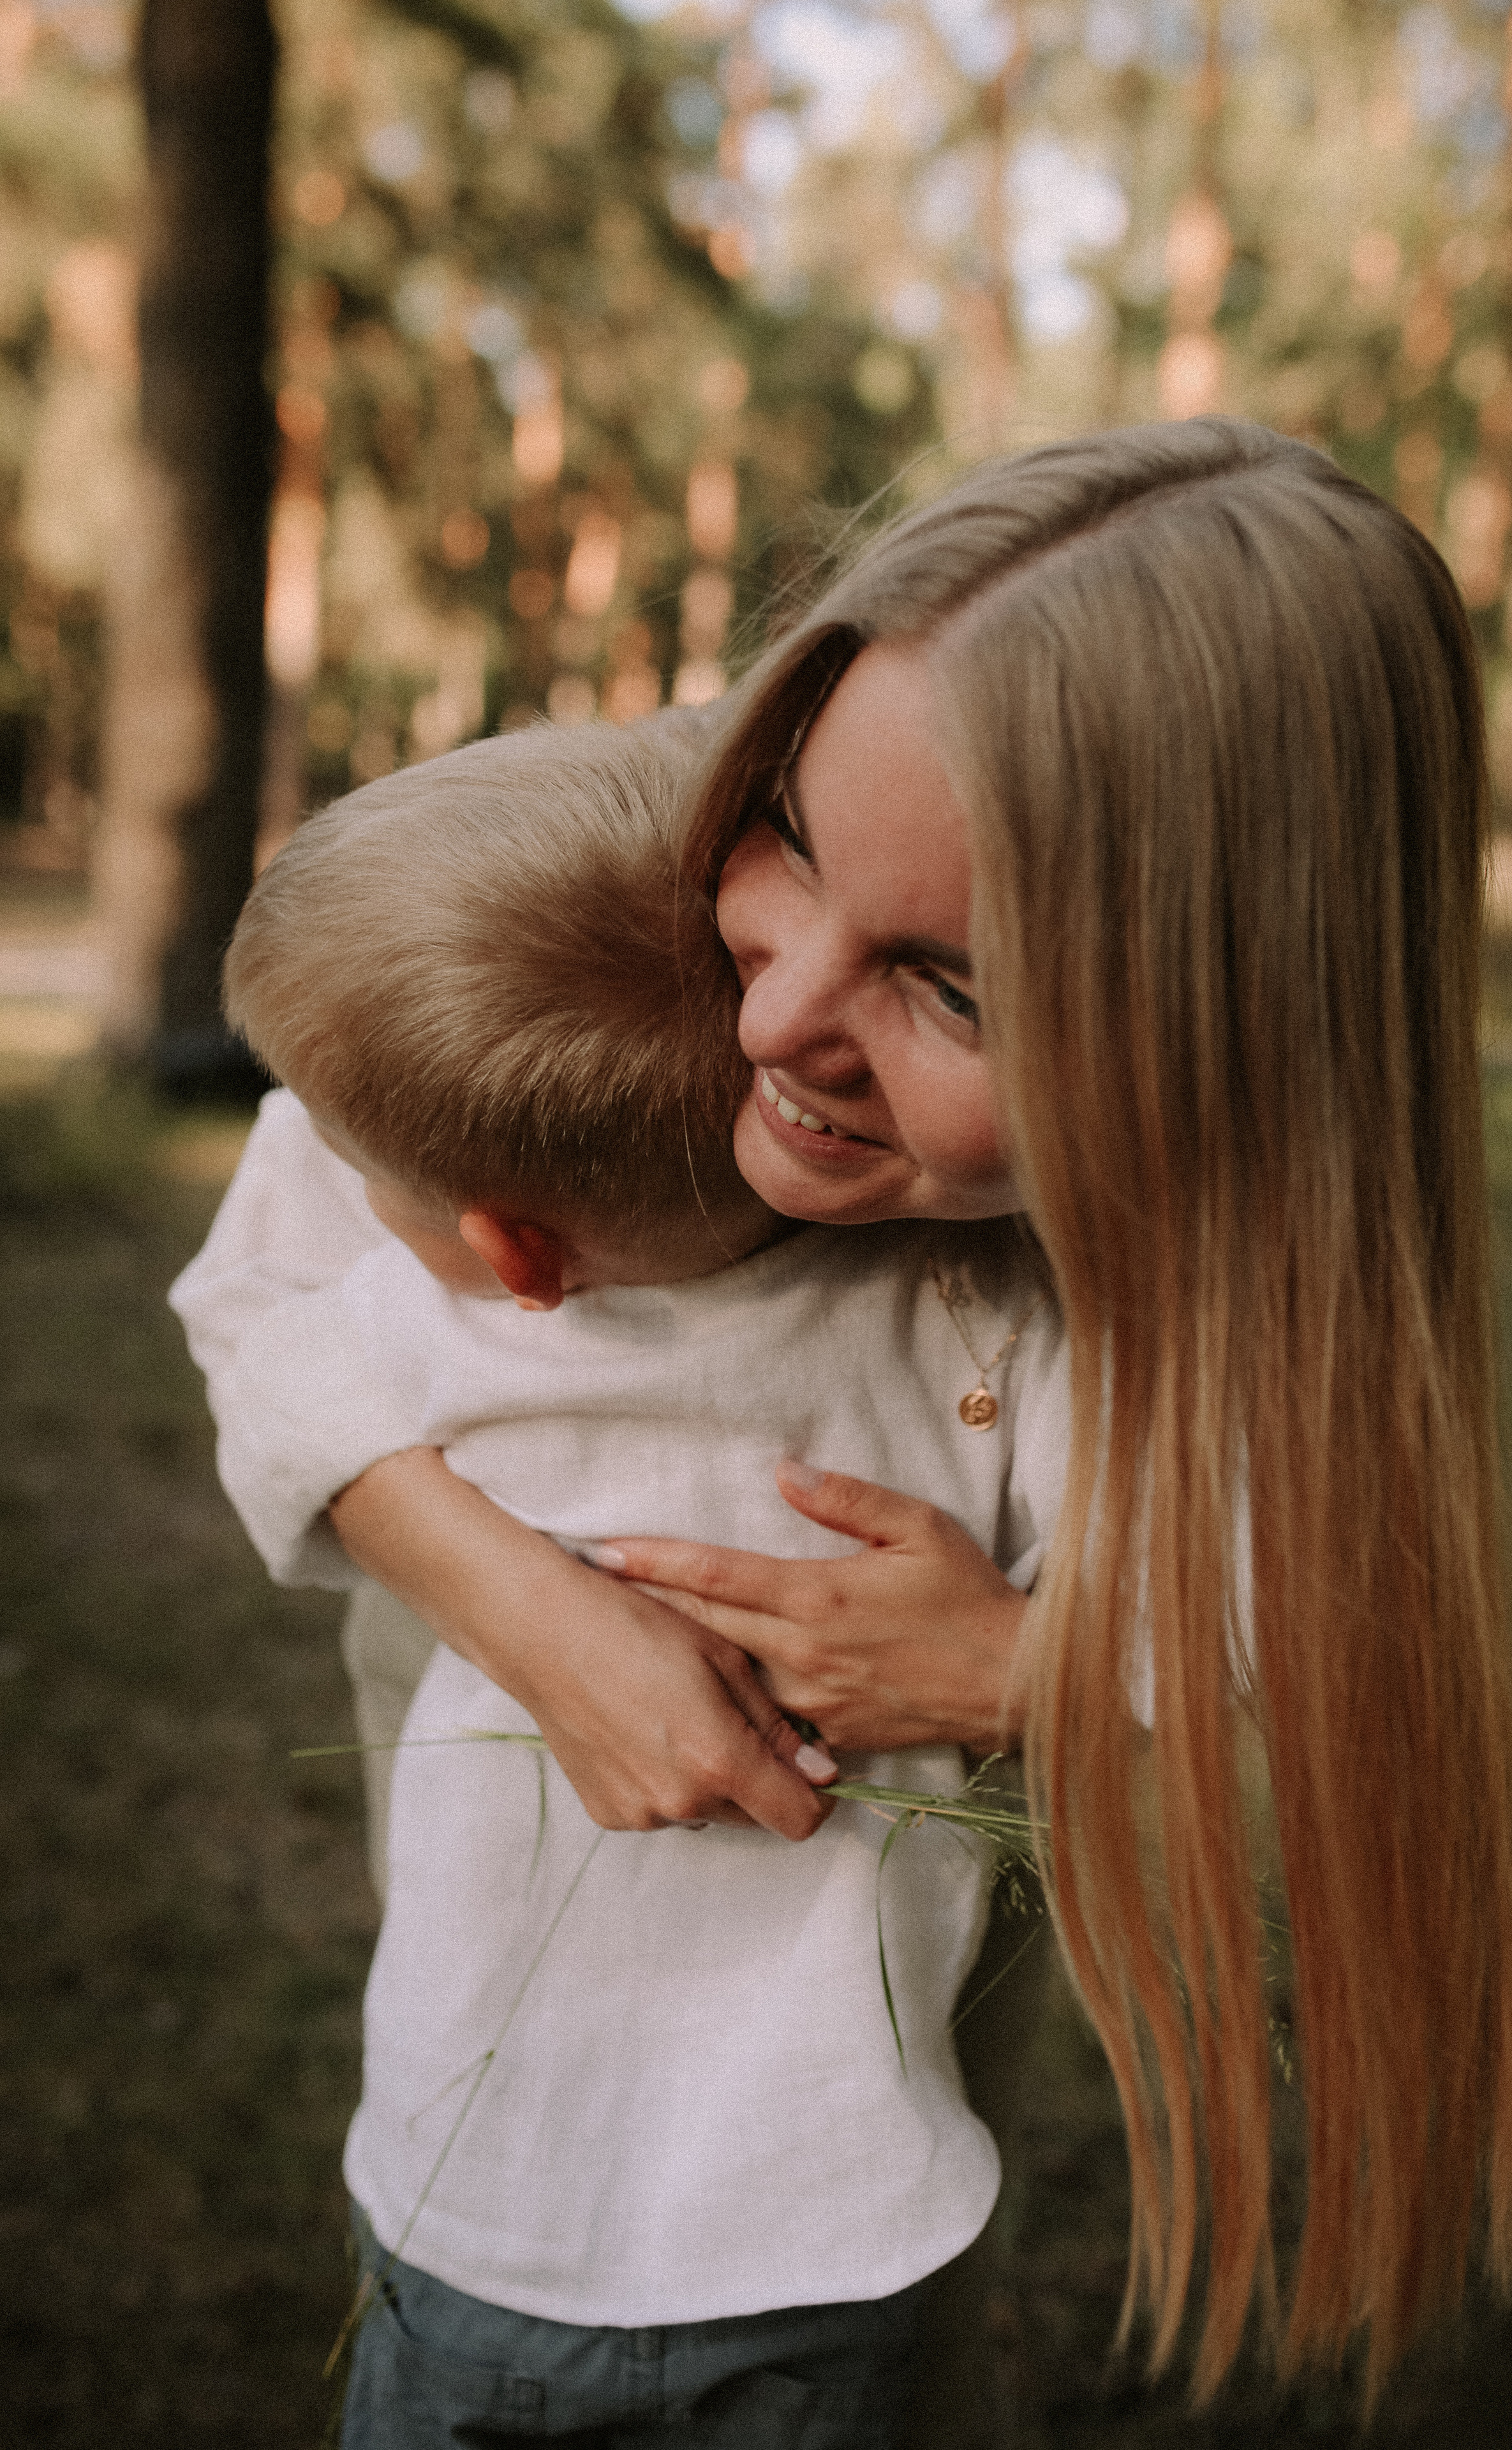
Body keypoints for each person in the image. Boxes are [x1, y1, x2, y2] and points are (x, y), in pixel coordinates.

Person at [320, 419, 1512, 2410]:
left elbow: (1303, 1649)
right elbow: (269, 1263)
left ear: (1228, 1043)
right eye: (789, 837)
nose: (765, 1014)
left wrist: (1032, 1662)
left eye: (953, 989)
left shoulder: (1125, 1310)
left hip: (814, 2219)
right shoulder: (575, 885)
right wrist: (517, 1598)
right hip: (479, 2149)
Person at [171, 709, 1069, 2449]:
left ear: (508, 1251)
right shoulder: (996, 1318)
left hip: (480, 2202)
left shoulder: (413, 1299)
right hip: (841, 2213)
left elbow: (268, 1280)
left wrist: (1011, 1667)